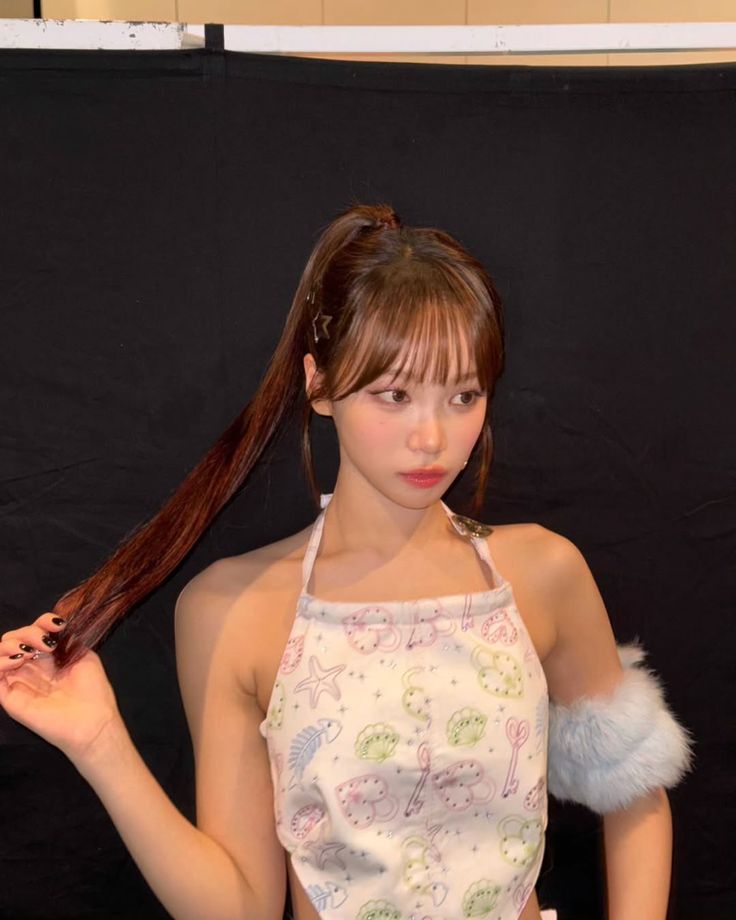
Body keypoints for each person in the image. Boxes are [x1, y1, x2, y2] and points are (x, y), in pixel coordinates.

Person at [0, 203, 692, 920]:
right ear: (320, 383)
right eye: (393, 394)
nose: (432, 437)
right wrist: (100, 744)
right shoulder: (231, 611)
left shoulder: (543, 574)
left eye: (463, 395)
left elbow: (637, 792)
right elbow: (239, 907)